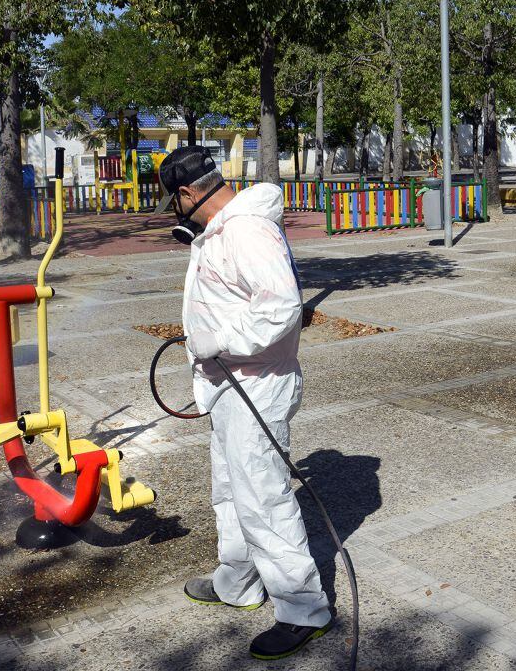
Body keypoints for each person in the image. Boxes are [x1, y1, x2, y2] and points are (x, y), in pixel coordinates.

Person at [159, 146, 333, 661]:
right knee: (231, 490)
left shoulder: (247, 231)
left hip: (256, 384)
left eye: (175, 201)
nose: (175, 211)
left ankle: (304, 610)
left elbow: (281, 308)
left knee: (263, 499)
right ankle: (237, 584)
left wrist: (222, 339)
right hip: (228, 385)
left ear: (189, 194)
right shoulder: (220, 230)